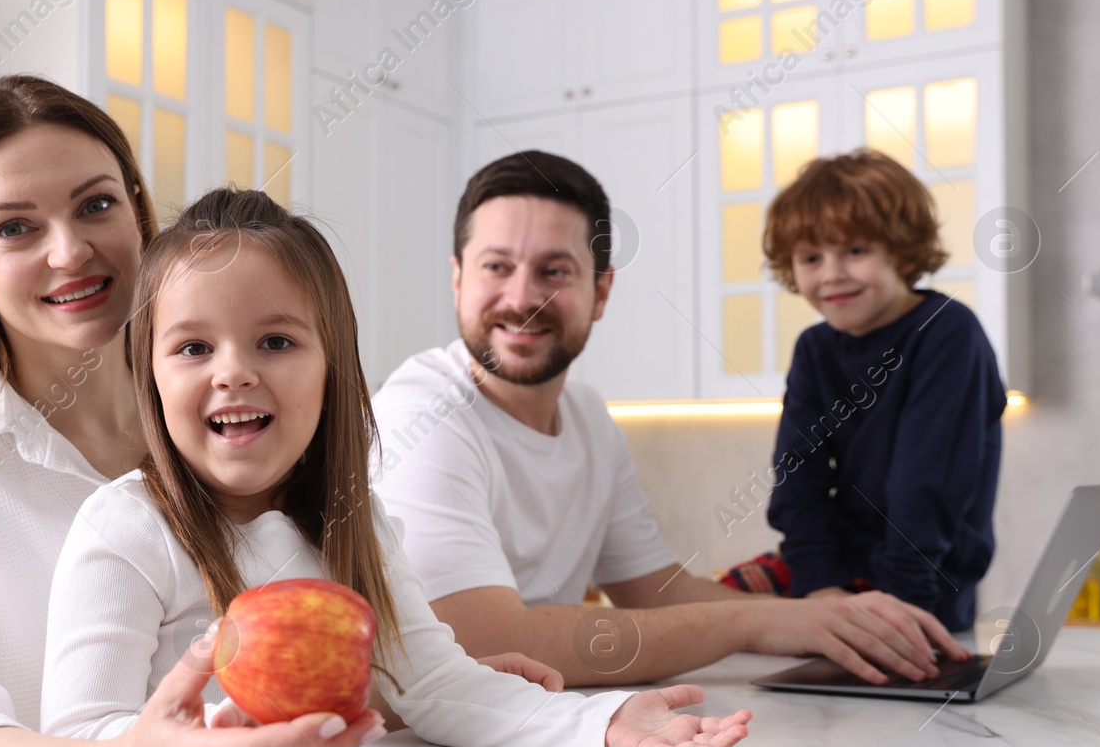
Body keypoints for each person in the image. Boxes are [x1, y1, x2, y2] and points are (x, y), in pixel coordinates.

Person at [0, 77, 565, 747]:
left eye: (97, 206)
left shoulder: (237, 437)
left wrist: (405, 692)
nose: (71, 250)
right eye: (14, 227)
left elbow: (251, 690)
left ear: (140, 215)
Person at [38, 188, 752, 747]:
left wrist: (602, 723)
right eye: (193, 347)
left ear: (332, 367)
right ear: (150, 374)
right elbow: (76, 741)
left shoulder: (358, 522)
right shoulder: (125, 529)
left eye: (277, 342)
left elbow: (440, 683)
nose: (233, 371)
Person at [371, 150, 971, 689]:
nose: (525, 297)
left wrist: (814, 619)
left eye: (556, 271)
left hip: (526, 730)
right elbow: (482, 641)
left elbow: (656, 591)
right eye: (496, 267)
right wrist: (754, 621)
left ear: (601, 291)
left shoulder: (586, 418)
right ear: (457, 280)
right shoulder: (422, 416)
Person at [724, 149, 1005, 632]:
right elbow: (798, 480)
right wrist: (821, 591)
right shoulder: (814, 348)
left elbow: (925, 489)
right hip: (832, 573)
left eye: (855, 251)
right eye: (811, 257)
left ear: (903, 249)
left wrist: (894, 610)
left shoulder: (947, 332)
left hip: (920, 584)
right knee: (711, 615)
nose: (831, 274)